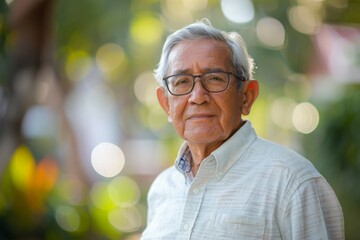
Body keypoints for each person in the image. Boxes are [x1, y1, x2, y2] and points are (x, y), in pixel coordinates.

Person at [141, 19, 344, 240]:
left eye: (215, 79)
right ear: (165, 104)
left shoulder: (293, 182)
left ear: (246, 96)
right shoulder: (161, 189)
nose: (198, 97)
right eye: (181, 82)